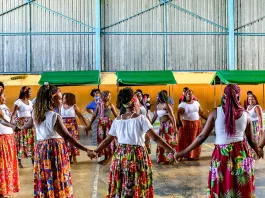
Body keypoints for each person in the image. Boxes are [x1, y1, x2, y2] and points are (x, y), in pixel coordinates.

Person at [88, 87, 177, 198]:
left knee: (123, 182)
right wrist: (172, 150)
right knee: (136, 183)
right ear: (133, 102)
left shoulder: (117, 120)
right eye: (138, 101)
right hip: (136, 156)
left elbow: (106, 141)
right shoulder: (141, 119)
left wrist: (95, 151)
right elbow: (156, 138)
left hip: (120, 157)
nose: (139, 103)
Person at [175, 84, 261, 198]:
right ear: (239, 97)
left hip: (221, 154)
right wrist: (258, 149)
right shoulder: (246, 115)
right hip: (241, 153)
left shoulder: (215, 113)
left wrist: (183, 152)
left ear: (224, 96)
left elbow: (201, 137)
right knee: (241, 186)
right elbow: (251, 139)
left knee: (221, 185)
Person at [32, 85, 92, 198]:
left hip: (41, 149)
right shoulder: (54, 116)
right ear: (51, 99)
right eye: (59, 98)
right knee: (57, 175)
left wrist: (17, 126)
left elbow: (28, 124)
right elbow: (68, 138)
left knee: (45, 174)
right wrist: (87, 150)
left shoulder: (36, 114)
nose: (61, 101)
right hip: (53, 149)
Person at [0, 87, 20, 197]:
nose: (5, 97)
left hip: (8, 137)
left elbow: (7, 119)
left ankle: (6, 188)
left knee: (8, 164)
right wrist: (13, 126)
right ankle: (2, 191)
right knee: (3, 164)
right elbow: (2, 121)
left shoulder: (5, 107)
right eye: (3, 95)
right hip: (2, 138)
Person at [88, 91, 118, 165]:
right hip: (101, 124)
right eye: (108, 95)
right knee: (102, 140)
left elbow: (116, 116)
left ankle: (109, 158)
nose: (110, 97)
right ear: (104, 96)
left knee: (108, 141)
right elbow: (94, 115)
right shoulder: (99, 105)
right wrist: (89, 125)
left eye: (110, 96)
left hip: (108, 124)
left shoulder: (111, 105)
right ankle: (105, 157)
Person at [177, 89, 207, 160]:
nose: (190, 95)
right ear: (185, 95)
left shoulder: (196, 103)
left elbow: (201, 113)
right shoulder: (182, 104)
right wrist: (180, 121)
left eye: (191, 94)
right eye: (188, 94)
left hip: (196, 124)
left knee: (195, 140)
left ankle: (193, 155)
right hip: (187, 124)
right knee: (187, 140)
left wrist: (208, 119)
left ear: (193, 95)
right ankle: (185, 154)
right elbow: (179, 114)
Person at [61, 93, 89, 164]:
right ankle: (67, 157)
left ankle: (73, 157)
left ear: (69, 99)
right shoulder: (60, 106)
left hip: (72, 127)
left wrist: (86, 126)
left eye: (64, 98)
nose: (63, 99)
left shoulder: (74, 106)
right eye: (63, 98)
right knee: (64, 142)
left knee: (72, 142)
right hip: (63, 126)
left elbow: (80, 116)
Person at [10, 86, 35, 168]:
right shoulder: (18, 102)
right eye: (29, 92)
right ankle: (19, 161)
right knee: (20, 142)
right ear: (25, 93)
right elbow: (13, 114)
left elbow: (32, 113)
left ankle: (33, 160)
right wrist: (12, 124)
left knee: (30, 142)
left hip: (29, 124)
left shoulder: (30, 102)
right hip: (21, 124)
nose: (30, 94)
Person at [151, 91, 178, 165]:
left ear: (161, 97)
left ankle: (169, 159)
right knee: (161, 142)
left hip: (168, 126)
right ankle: (161, 159)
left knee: (168, 142)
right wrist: (149, 125)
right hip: (162, 126)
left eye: (157, 96)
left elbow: (172, 117)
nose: (156, 98)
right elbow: (154, 117)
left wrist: (175, 128)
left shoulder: (167, 105)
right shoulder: (158, 105)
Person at [247, 94, 263, 158]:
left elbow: (260, 118)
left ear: (255, 99)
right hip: (249, 125)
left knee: (254, 140)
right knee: (249, 140)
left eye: (252, 99)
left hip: (255, 125)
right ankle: (250, 154)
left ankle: (255, 155)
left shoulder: (257, 107)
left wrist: (261, 129)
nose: (251, 100)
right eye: (249, 99)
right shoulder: (248, 107)